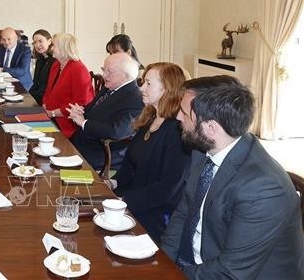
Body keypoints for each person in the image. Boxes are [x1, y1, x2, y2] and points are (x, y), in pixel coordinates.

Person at [161, 76, 304, 279]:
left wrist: (175, 274)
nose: (177, 117)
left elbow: (231, 273)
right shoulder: (204, 149)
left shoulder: (264, 189)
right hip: (200, 263)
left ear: (211, 127)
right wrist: (161, 262)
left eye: (184, 113)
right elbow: (183, 213)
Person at [113, 62, 191, 243]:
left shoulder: (177, 132)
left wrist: (124, 199)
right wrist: (113, 181)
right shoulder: (150, 118)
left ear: (167, 90)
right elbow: (130, 164)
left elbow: (165, 189)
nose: (141, 88)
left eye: (148, 83)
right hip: (133, 199)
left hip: (155, 213)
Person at [68, 52, 144, 171]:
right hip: (80, 143)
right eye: (104, 70)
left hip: (99, 154)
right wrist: (80, 112)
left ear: (125, 75)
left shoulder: (136, 99)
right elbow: (91, 112)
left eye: (109, 72)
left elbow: (117, 131)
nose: (104, 75)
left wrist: (84, 123)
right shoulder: (110, 87)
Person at [41, 33, 95, 138]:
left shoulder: (79, 70)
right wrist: (44, 105)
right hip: (50, 116)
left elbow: (80, 104)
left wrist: (52, 113)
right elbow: (48, 91)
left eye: (54, 45)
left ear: (63, 48)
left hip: (67, 123)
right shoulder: (56, 65)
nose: (51, 48)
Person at [28, 29, 55, 105]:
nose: (37, 45)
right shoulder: (40, 60)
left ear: (49, 41)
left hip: (46, 101)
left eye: (40, 41)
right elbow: (35, 83)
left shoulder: (54, 61)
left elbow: (47, 87)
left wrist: (32, 99)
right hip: (38, 98)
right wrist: (27, 96)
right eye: (35, 42)